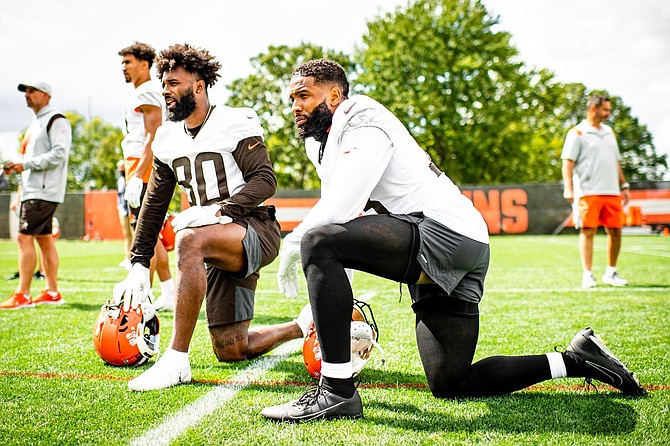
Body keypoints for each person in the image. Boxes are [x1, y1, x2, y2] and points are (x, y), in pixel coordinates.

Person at [261, 60, 645, 422]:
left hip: (444, 233)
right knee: (451, 382)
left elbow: (336, 214)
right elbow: (344, 222)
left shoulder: (361, 119)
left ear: (333, 97)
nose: (294, 106)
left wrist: (297, 245)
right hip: (455, 242)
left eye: (303, 96)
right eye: (292, 98)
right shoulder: (321, 143)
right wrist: (323, 301)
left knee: (314, 239)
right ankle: (576, 360)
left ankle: (336, 391)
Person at [113, 43, 311, 391]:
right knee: (231, 348)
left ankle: (176, 360)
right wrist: (138, 263)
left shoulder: (234, 120)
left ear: (199, 86)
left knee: (188, 239)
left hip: (254, 228)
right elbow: (155, 204)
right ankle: (303, 324)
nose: (165, 90)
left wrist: (220, 210)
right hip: (213, 240)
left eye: (174, 83)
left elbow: (265, 180)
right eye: (164, 84)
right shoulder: (168, 137)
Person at [0, 79, 70, 310]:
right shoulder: (36, 122)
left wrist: (25, 164)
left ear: (46, 95)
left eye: (32, 91)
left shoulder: (56, 119)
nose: (27, 95)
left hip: (43, 191)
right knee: (44, 240)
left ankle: (23, 294)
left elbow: (59, 154)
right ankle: (52, 291)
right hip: (35, 190)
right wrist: (20, 170)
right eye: (25, 91)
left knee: (24, 238)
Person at [118, 42, 174, 310]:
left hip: (142, 170)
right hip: (137, 166)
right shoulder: (144, 92)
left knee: (143, 235)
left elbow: (154, 134)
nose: (124, 67)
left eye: (128, 62)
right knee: (150, 235)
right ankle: (169, 293)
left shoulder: (147, 91)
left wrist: (137, 175)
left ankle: (144, 294)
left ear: (145, 63)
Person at [561, 94, 630, 289]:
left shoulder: (609, 133)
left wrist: (623, 186)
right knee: (588, 231)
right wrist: (569, 187)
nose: (608, 114)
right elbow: (567, 162)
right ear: (594, 109)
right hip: (588, 192)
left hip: (612, 192)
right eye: (605, 110)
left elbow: (615, 161)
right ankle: (588, 274)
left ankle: (611, 272)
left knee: (616, 231)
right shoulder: (577, 133)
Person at [116, 160, 132, 271]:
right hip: (123, 210)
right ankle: (127, 258)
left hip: (131, 210)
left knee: (135, 235)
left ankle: (134, 258)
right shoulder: (120, 181)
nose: (120, 170)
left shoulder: (130, 178)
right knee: (127, 236)